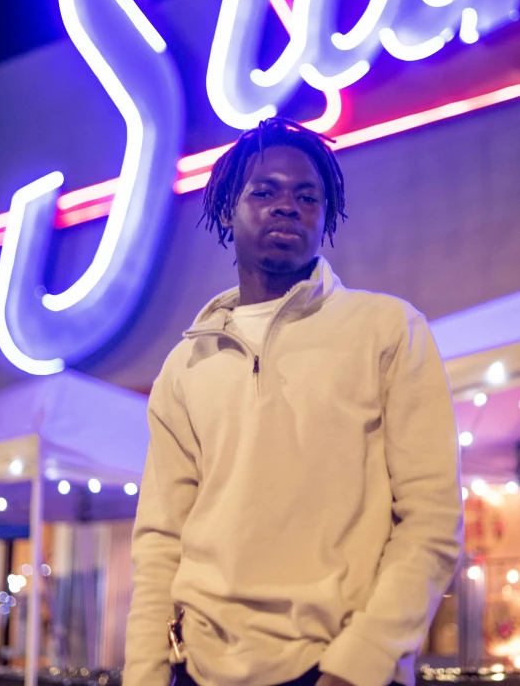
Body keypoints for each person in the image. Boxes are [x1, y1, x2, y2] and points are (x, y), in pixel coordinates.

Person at [124, 117, 463, 686]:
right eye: (264, 191)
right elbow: (161, 541)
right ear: (227, 207)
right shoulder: (186, 365)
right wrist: (144, 674)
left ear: (326, 216)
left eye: (307, 195)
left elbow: (430, 520)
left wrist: (362, 664)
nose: (287, 205)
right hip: (199, 669)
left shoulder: (387, 328)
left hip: (338, 667)